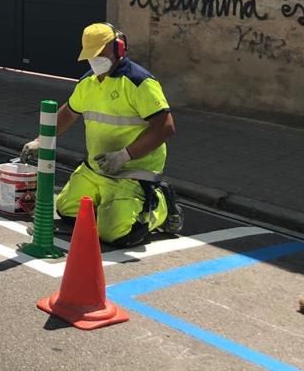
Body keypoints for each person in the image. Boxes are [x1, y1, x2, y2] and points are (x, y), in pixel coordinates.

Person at [21, 22, 183, 247]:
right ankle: (111, 204)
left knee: (114, 233)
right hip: (96, 168)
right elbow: (69, 111)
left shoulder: (139, 82)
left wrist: (125, 155)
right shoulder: (88, 82)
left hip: (132, 171)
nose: (94, 60)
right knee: (67, 209)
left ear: (118, 49)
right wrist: (42, 140)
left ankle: (160, 205)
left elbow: (165, 127)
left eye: (100, 54)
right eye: (90, 56)